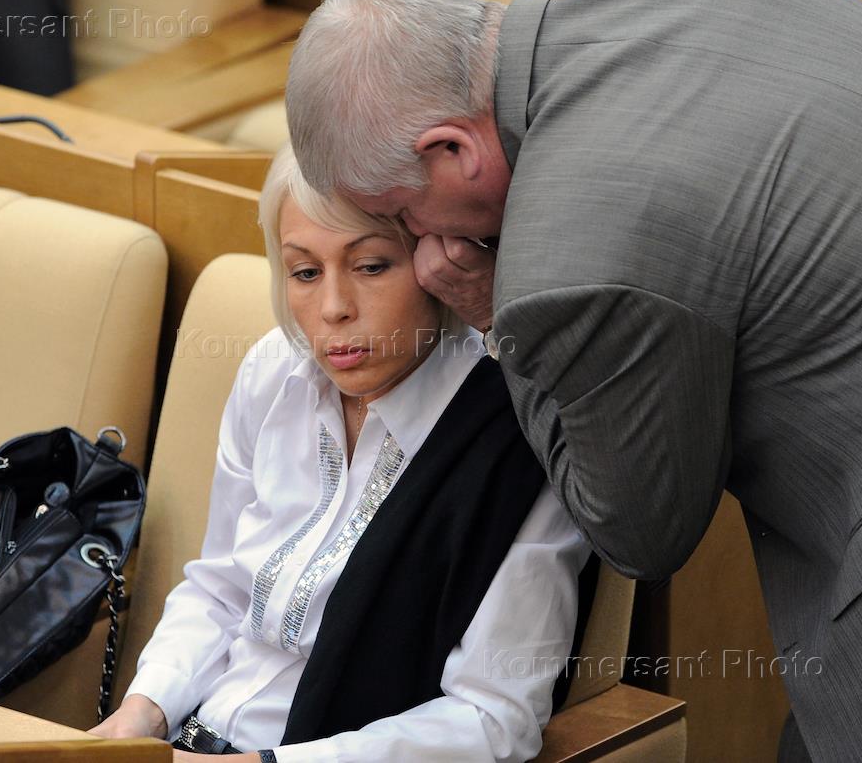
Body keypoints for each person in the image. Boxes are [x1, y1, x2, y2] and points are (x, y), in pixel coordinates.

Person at [282, 0, 862, 760]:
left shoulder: (567, 267)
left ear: (451, 149)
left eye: (402, 213)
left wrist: (492, 309)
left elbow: (640, 534)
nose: (420, 243)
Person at [90, 145, 590, 761]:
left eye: (371, 266)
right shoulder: (272, 373)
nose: (333, 308)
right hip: (188, 738)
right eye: (304, 272)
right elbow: (221, 588)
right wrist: (141, 714)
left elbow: (494, 718)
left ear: (441, 261)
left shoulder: (516, 438)